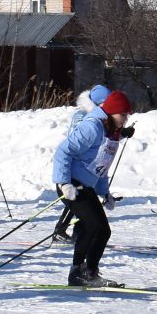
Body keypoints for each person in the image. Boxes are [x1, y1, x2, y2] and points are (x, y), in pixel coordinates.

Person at [52, 90, 131, 288]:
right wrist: (64, 183)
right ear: (112, 112)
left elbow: (101, 164)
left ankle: (89, 272)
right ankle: (78, 272)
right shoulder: (92, 127)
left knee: (102, 230)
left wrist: (104, 192)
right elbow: (63, 151)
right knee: (94, 226)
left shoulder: (109, 131)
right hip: (72, 183)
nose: (125, 119)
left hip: (86, 185)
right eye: (123, 115)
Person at [52, 85, 110, 243]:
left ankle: (77, 233)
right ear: (97, 103)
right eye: (105, 103)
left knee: (83, 206)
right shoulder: (85, 117)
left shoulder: (101, 118)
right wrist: (64, 180)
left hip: (89, 171)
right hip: (76, 169)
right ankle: (61, 230)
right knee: (78, 204)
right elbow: (70, 145)